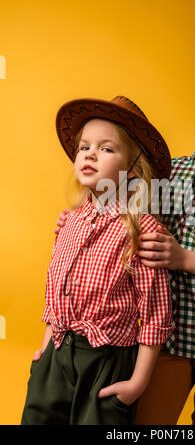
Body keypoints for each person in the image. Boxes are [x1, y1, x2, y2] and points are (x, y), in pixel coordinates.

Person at [55, 61, 195, 425]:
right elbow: (122, 215)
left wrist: (183, 258)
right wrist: (81, 223)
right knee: (147, 422)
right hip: (168, 336)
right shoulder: (169, 172)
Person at [21, 95, 175, 425]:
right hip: (56, 356)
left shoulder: (141, 229)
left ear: (133, 168)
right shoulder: (71, 221)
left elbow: (155, 314)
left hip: (106, 362)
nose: (90, 153)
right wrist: (44, 351)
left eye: (107, 148)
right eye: (84, 147)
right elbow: (56, 294)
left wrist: (137, 383)